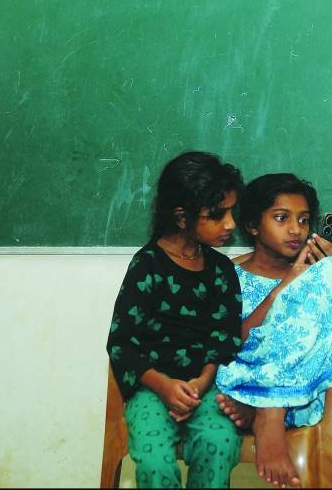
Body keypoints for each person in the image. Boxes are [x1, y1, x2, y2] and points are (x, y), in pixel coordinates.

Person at [214, 173, 332, 488]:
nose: (296, 229)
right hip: (241, 380)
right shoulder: (227, 275)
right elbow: (230, 342)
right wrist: (283, 289)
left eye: (305, 220)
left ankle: (268, 408)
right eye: (282, 218)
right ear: (253, 226)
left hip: (316, 395)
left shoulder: (321, 279)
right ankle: (266, 405)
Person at [105, 151, 246, 489]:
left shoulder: (221, 270)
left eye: (232, 212)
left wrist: (200, 383)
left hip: (206, 388)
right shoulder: (148, 265)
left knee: (219, 442)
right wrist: (165, 387)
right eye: (217, 214)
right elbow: (121, 342)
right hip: (151, 389)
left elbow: (224, 339)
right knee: (154, 462)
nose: (230, 224)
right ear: (182, 217)